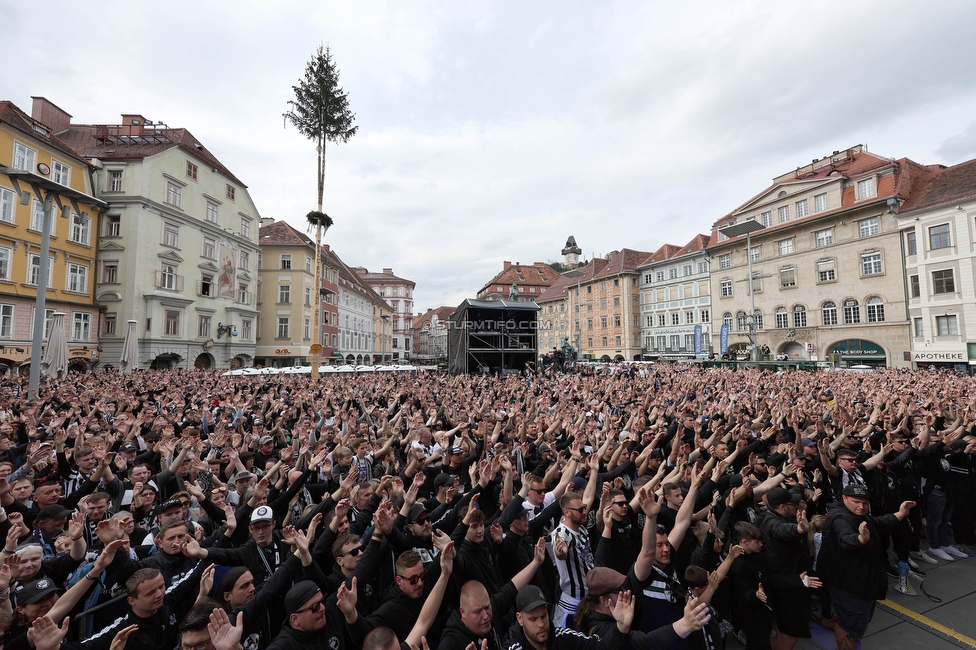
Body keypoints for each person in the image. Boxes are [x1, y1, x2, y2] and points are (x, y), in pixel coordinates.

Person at [817, 484, 916, 650]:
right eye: (856, 501)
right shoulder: (840, 518)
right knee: (848, 623)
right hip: (850, 586)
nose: (861, 507)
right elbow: (846, 538)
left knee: (854, 622)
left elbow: (877, 522)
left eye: (865, 503)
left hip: (861, 583)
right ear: (844, 498)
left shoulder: (859, 515)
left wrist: (900, 514)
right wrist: (860, 539)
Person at [759, 486, 821, 650]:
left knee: (784, 628)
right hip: (788, 588)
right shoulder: (772, 523)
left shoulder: (772, 515)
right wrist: (799, 529)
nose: (796, 506)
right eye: (792, 504)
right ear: (782, 507)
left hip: (789, 583)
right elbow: (783, 530)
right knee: (790, 636)